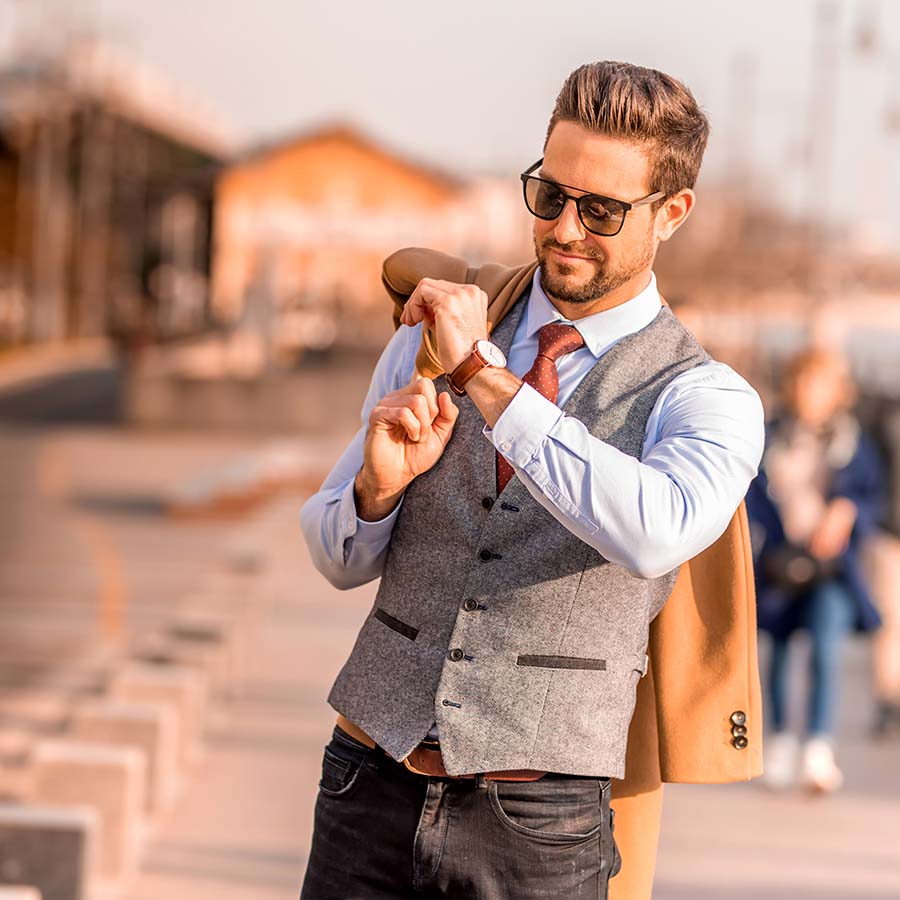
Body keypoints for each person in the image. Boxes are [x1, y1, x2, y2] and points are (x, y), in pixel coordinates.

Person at [300, 60, 765, 900]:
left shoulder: (708, 397)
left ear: (672, 214)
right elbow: (334, 554)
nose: (563, 229)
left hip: (539, 830)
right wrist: (376, 496)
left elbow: (651, 530)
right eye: (550, 194)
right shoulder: (434, 329)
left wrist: (485, 375)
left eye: (601, 210)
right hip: (367, 778)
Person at [746, 348, 884, 793]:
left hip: (834, 568)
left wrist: (845, 512)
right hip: (781, 564)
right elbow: (749, 495)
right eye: (806, 383)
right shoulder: (768, 434)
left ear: (837, 392)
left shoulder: (853, 440)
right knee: (781, 653)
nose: (812, 393)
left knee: (826, 646)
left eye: (822, 384)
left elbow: (871, 495)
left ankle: (819, 749)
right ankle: (784, 741)